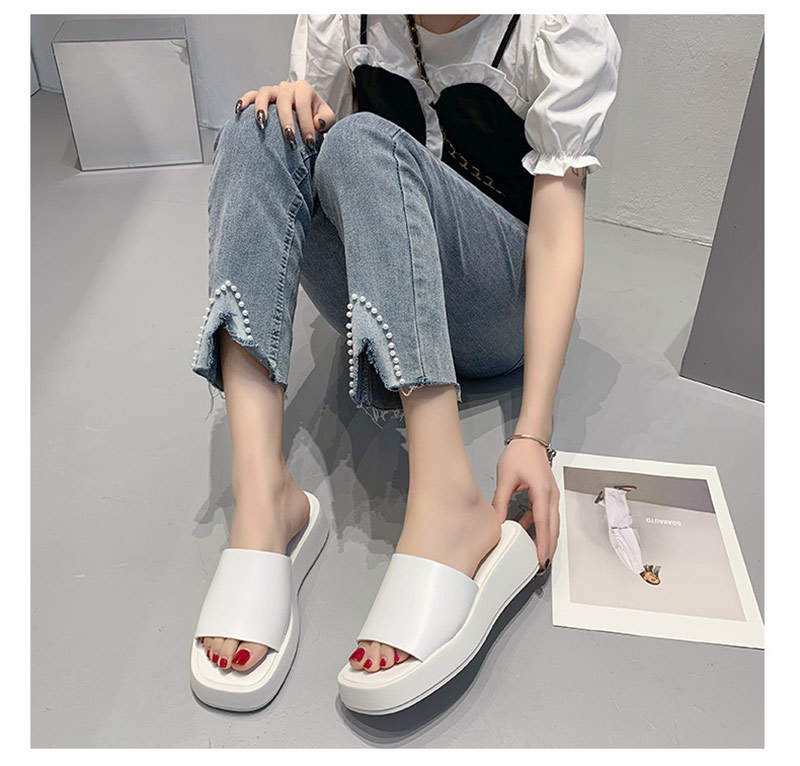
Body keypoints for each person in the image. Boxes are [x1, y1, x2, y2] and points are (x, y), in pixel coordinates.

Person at [189, 14, 621, 712]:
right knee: (261, 124)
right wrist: (295, 106)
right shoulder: (342, 17)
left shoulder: (556, 26)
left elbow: (556, 230)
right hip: (381, 296)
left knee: (363, 139)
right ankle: (264, 498)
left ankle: (449, 505)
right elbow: (314, 163)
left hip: (494, 309)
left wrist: (532, 433)